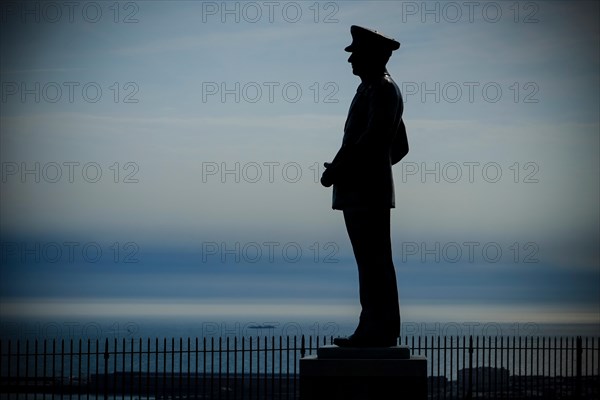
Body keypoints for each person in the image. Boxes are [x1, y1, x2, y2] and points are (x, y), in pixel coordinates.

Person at [320, 25, 409, 347]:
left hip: (365, 191)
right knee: (370, 262)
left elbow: (374, 139)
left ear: (372, 56)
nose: (350, 61)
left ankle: (378, 329)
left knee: (374, 263)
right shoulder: (371, 89)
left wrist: (342, 169)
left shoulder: (383, 90)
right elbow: (398, 147)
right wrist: (367, 169)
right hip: (364, 188)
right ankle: (372, 326)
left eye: (355, 54)